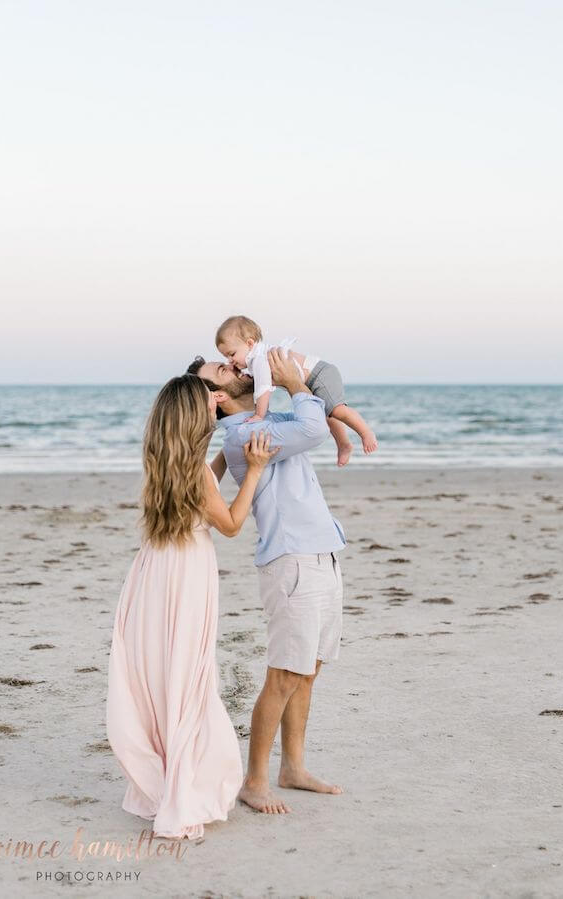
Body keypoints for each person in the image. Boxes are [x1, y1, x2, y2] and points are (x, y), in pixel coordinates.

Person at [106, 374, 278, 839]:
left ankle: (162, 771)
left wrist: (226, 455)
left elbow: (204, 485)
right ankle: (186, 782)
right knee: (188, 671)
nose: (216, 408)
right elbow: (230, 523)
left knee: (164, 670)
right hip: (186, 574)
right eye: (209, 404)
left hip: (155, 571)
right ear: (192, 415)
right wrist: (256, 467)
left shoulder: (166, 459)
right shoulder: (195, 471)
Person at [187, 348, 346, 815]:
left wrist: (298, 377)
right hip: (293, 560)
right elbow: (315, 427)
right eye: (224, 369)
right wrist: (296, 382)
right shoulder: (248, 435)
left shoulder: (263, 419)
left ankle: (292, 767)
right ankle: (255, 780)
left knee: (309, 667)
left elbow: (316, 409)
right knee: (285, 673)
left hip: (322, 551)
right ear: (217, 396)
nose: (237, 367)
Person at [214, 314, 378, 466]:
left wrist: (259, 414)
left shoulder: (258, 359)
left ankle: (365, 432)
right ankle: (343, 444)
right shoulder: (254, 359)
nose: (230, 360)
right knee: (327, 414)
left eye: (232, 354)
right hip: (314, 377)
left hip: (318, 374)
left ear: (249, 343)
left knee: (338, 411)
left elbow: (264, 389)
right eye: (226, 357)